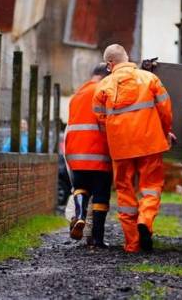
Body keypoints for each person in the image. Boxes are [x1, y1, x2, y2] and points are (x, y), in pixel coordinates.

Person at [93, 44, 174, 253]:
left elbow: (101, 122)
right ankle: (145, 221)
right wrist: (165, 132)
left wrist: (113, 139)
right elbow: (165, 110)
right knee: (151, 186)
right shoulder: (149, 79)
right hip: (150, 142)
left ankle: (132, 243)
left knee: (124, 191)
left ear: (110, 64)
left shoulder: (102, 87)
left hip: (121, 148)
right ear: (126, 57)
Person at [65, 63, 112, 247]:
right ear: (105, 76)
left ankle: (80, 216)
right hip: (100, 153)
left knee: (81, 188)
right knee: (101, 197)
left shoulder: (77, 94)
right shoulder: (104, 90)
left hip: (76, 153)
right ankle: (97, 239)